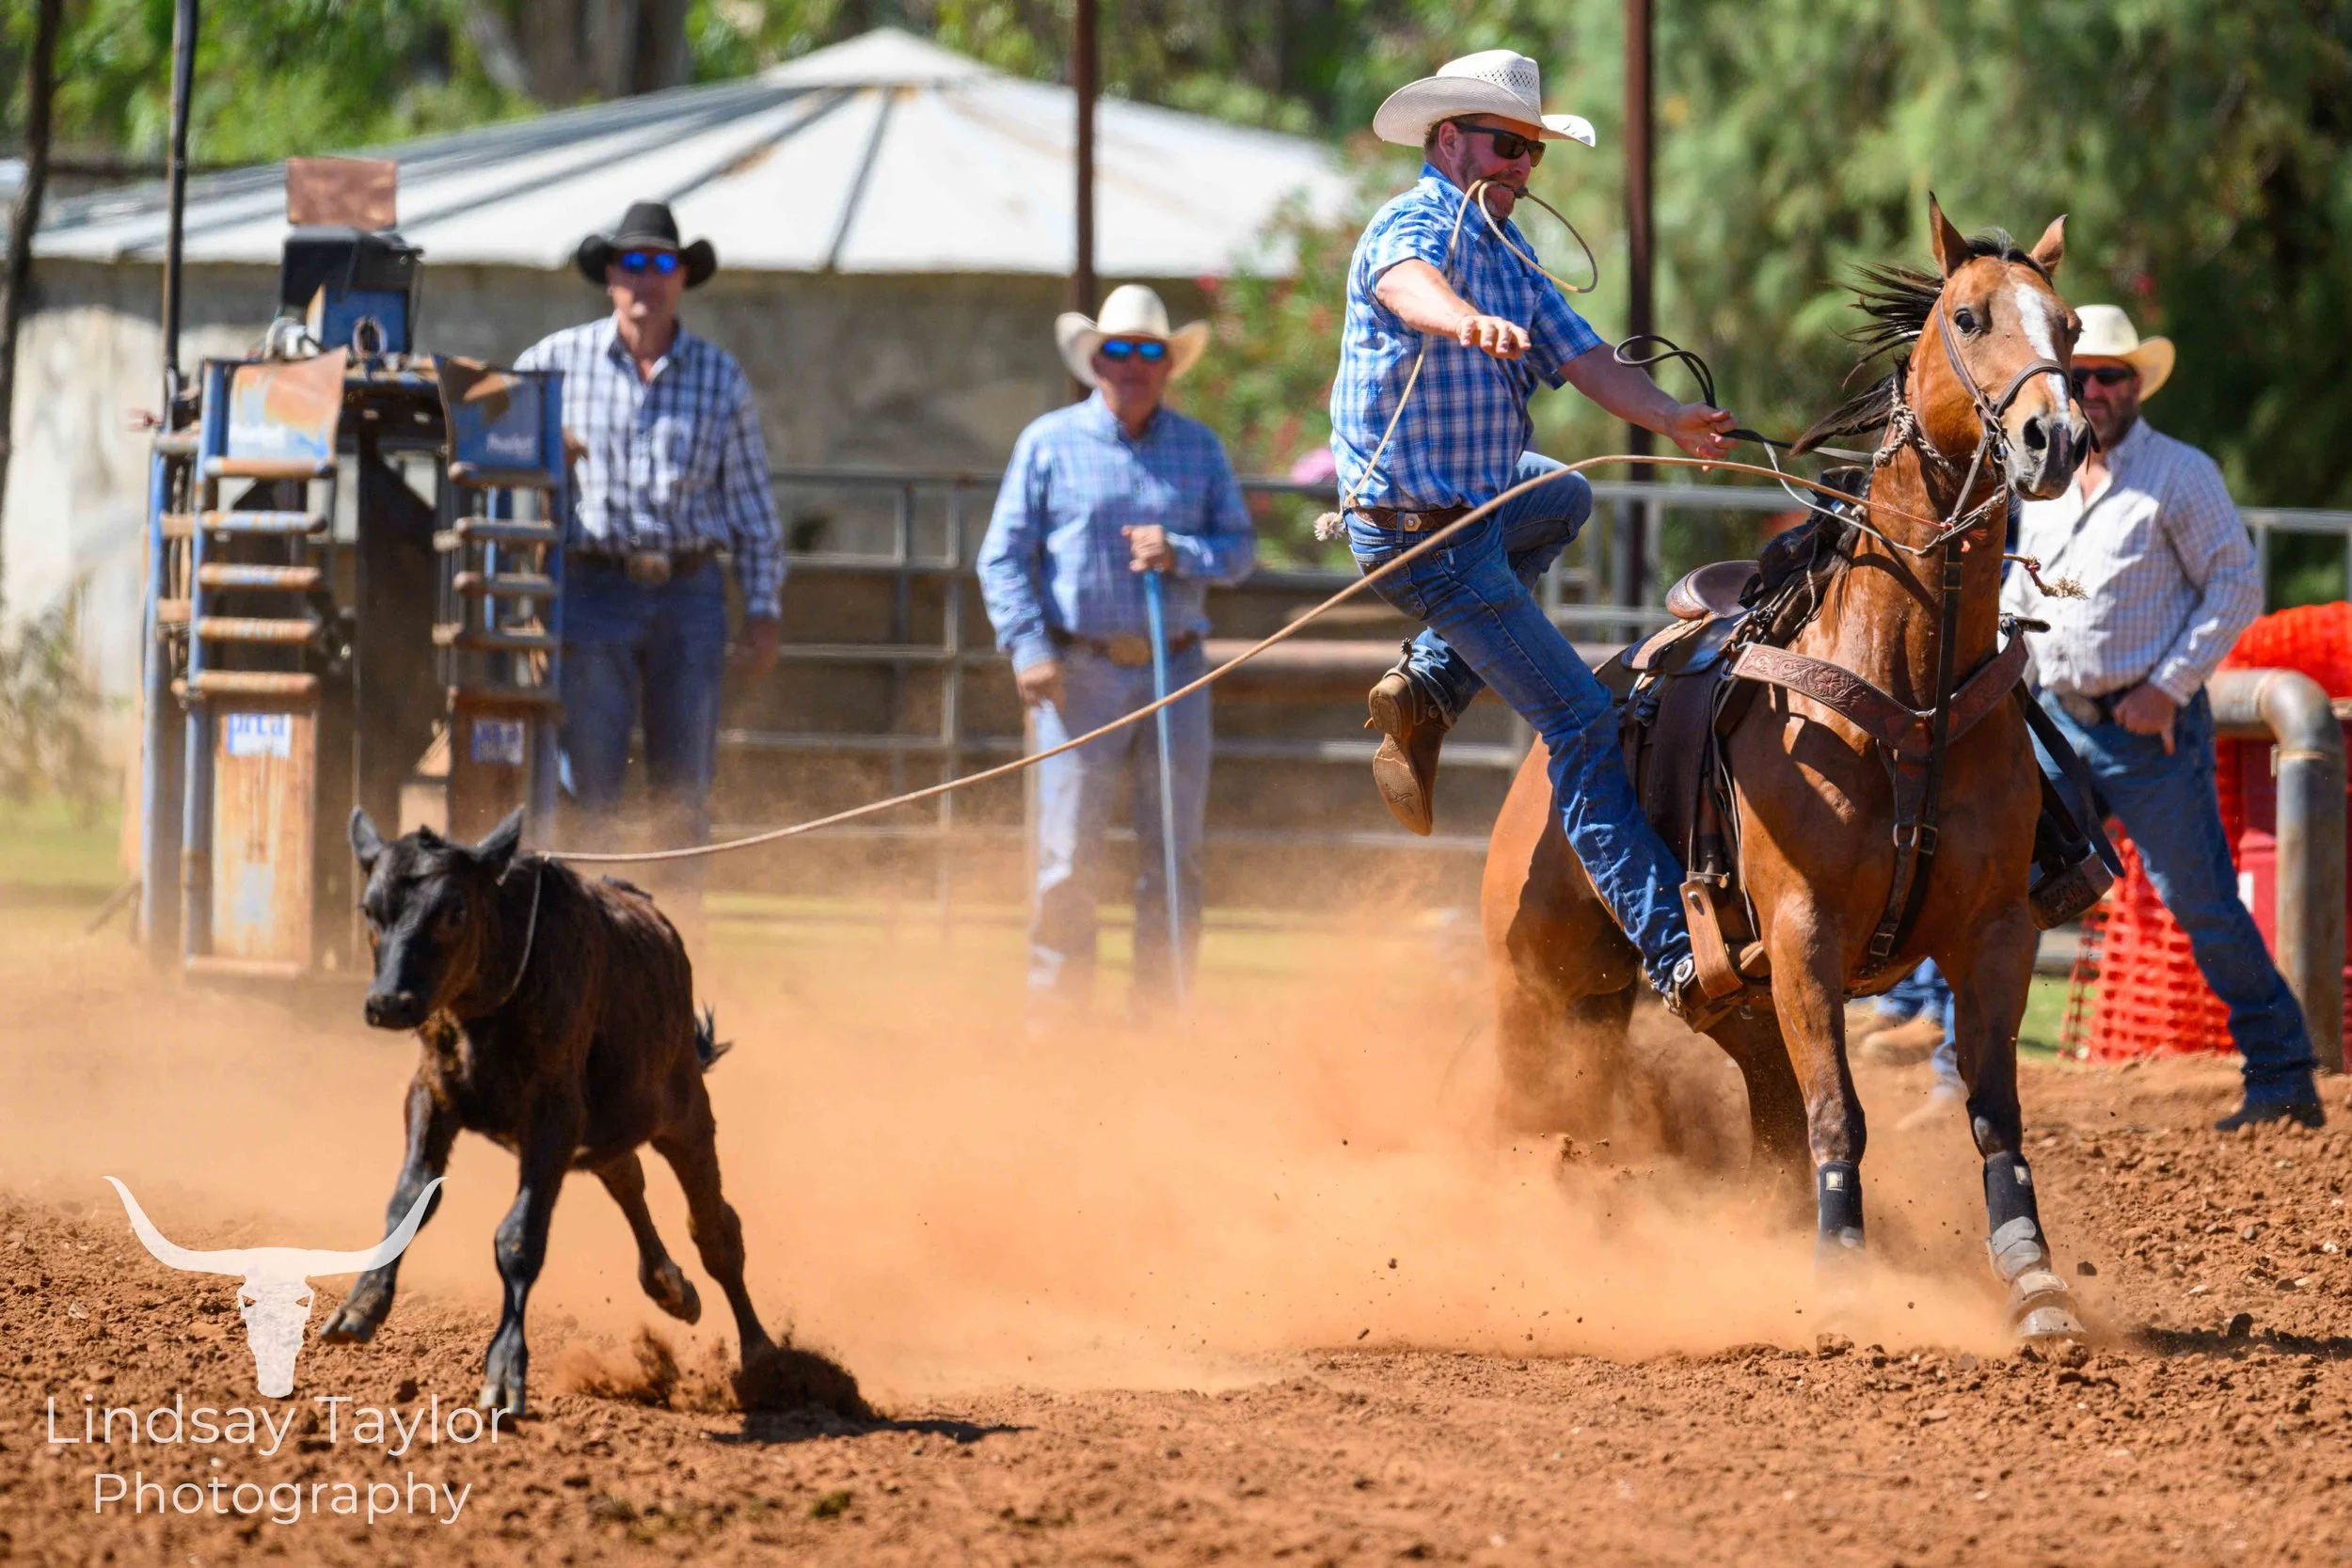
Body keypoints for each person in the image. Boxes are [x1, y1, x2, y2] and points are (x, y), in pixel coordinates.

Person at [1332, 50, 1738, 1023]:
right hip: (1424, 534)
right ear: (1449, 141)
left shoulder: (1513, 256)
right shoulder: (1414, 223)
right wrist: (1462, 321)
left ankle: (1431, 684)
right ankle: (1675, 950)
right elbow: (1405, 283)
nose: (1520, 165)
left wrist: (1669, 416)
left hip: (1471, 508)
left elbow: (1586, 357)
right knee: (1584, 724)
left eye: (1532, 152)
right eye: (1505, 146)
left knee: (1562, 496)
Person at [2002, 304, 2322, 1131]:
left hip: (2149, 734)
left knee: (2201, 904)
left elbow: (2237, 584)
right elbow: (2020, 591)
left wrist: (2171, 687)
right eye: (2079, 376)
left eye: (2109, 375)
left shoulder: (2182, 474)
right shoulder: (2045, 479)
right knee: (1999, 887)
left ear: (2136, 384)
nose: (2093, 389)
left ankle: (2284, 1073)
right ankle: (1964, 1073)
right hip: (2055, 723)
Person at [977, 285, 1256, 1013]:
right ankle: (1058, 1021)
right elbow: (1002, 556)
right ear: (1096, 360)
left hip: (1175, 668)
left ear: (1167, 364)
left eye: (1148, 351)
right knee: (1068, 856)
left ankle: (1159, 1017)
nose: (1133, 363)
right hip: (1079, 671)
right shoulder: (1048, 443)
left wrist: (1182, 551)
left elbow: (1239, 551)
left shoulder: (1201, 449)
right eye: (1119, 350)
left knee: (1174, 855)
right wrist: (1029, 646)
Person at [516, 201, 784, 927]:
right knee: (588, 782)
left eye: (662, 263)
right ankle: (589, 938)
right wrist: (543, 446)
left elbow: (751, 504)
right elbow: (486, 426)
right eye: (632, 263)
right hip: (591, 585)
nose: (646, 279)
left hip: (688, 590)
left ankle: (676, 936)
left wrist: (763, 606)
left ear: (681, 277)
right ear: (610, 275)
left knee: (684, 785)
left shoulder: (719, 377)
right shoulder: (552, 363)